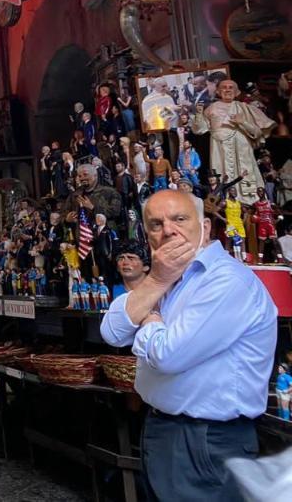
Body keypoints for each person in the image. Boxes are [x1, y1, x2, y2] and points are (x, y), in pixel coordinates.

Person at [101, 190, 276, 501]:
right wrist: (155, 282)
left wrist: (148, 315)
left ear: (205, 227)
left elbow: (168, 355)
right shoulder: (166, 276)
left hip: (207, 440)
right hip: (163, 428)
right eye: (156, 224)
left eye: (179, 219)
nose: (168, 230)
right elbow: (112, 331)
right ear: (146, 234)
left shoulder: (227, 281)